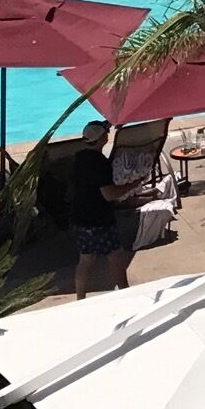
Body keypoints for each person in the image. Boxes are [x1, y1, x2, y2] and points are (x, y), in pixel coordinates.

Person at [70, 120, 153, 296]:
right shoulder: (100, 163)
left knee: (85, 260)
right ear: (102, 139)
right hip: (99, 219)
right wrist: (134, 184)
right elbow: (109, 194)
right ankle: (125, 295)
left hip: (80, 217)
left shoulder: (79, 157)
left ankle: (80, 298)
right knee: (116, 258)